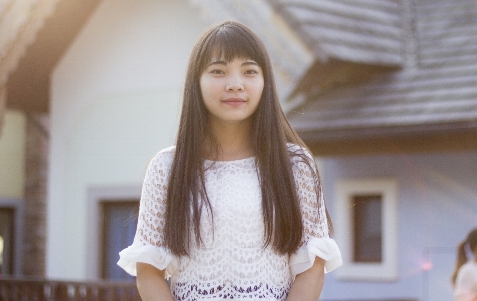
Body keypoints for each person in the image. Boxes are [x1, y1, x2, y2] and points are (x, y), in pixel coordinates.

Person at [118, 21, 342, 301]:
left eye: (249, 71)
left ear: (265, 82)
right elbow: (148, 272)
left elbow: (313, 267)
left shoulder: (295, 164)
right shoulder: (166, 168)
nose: (235, 84)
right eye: (218, 71)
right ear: (195, 83)